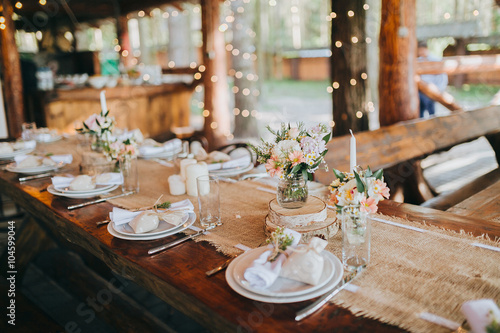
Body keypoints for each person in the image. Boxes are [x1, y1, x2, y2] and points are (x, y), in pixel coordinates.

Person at [417, 41, 448, 117]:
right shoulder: (418, 61)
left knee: (431, 110)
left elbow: (442, 77)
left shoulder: (436, 60)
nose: (421, 52)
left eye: (422, 50)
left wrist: (439, 89)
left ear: (426, 49)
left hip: (433, 89)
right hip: (421, 90)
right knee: (420, 109)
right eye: (419, 51)